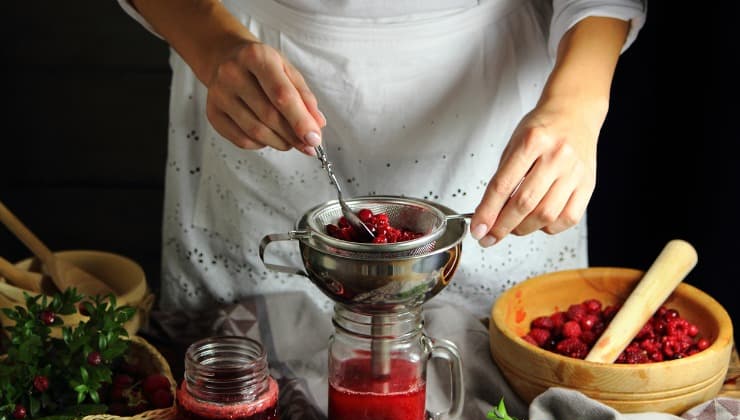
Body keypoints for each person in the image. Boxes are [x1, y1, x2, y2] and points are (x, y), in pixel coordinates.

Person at [118, 0, 647, 318]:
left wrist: (577, 105)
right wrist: (211, 45)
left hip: (492, 98)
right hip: (257, 73)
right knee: (243, 373)